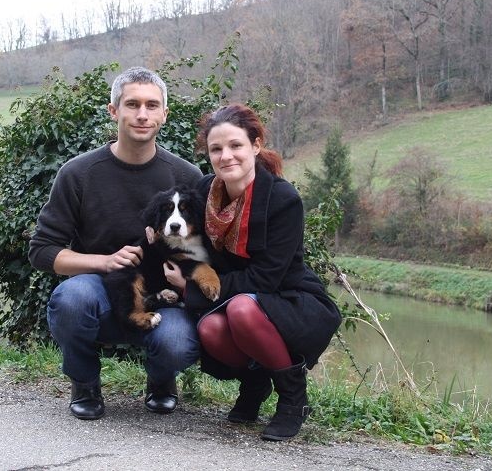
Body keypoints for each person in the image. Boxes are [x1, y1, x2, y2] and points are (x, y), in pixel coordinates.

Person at [28, 66, 203, 420]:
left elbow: (205, 245)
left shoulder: (187, 176)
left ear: (165, 114)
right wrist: (104, 262)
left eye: (152, 105)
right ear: (113, 111)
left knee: (176, 343)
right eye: (132, 104)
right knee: (71, 301)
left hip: (164, 294)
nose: (142, 115)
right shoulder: (78, 173)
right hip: (99, 291)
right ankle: (85, 383)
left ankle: (161, 379)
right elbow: (42, 250)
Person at [163, 103, 342, 441]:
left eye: (236, 145)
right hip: (234, 297)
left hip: (287, 298)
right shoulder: (204, 192)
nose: (226, 156)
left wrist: (190, 288)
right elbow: (177, 227)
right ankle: (255, 383)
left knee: (241, 308)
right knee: (211, 328)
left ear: (256, 145)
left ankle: (294, 399)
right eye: (216, 149)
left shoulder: (282, 199)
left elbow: (265, 279)